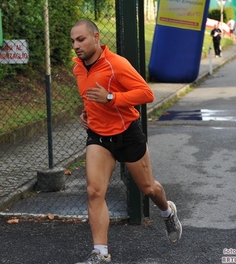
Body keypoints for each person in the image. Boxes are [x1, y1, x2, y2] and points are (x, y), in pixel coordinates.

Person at [70, 19, 182, 263]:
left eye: (81, 39)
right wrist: (87, 111)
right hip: (99, 137)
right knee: (94, 191)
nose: (76, 46)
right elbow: (90, 95)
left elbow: (146, 94)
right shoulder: (78, 67)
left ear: (96, 37)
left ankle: (167, 211)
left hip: (126, 133)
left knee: (148, 188)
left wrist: (110, 97)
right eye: (73, 41)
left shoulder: (116, 64)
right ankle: (100, 253)